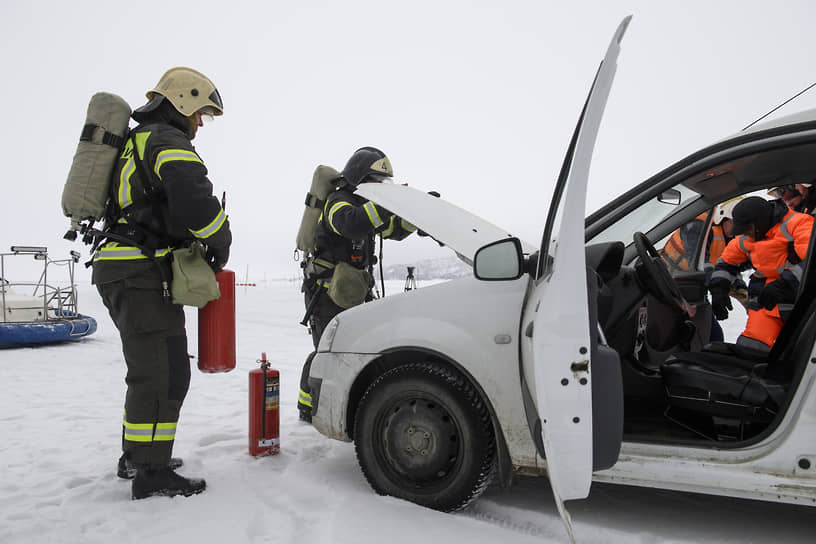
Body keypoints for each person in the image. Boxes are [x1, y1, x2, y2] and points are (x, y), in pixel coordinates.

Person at [92, 67, 231, 499]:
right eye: (200, 113)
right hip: (138, 272)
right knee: (162, 373)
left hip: (128, 268)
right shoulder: (164, 139)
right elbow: (193, 197)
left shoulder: (140, 140)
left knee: (156, 368)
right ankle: (150, 472)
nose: (200, 123)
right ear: (183, 100)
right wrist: (220, 240)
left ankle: (139, 456)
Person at [297, 147, 417, 422]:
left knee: (351, 347)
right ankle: (308, 406)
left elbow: (393, 230)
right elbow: (350, 224)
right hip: (325, 293)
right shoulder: (339, 201)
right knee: (325, 352)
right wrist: (386, 205)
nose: (381, 187)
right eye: (377, 181)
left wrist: (415, 212)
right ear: (360, 177)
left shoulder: (366, 206)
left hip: (353, 289)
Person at [709, 196, 813, 351]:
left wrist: (785, 285)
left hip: (802, 305)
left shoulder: (799, 223)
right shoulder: (746, 237)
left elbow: (812, 263)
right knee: (750, 348)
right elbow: (727, 263)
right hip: (766, 304)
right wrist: (718, 288)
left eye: (748, 230)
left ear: (760, 222)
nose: (746, 234)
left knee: (801, 354)